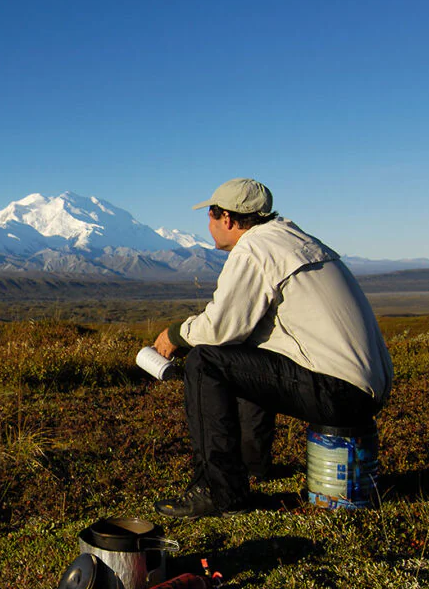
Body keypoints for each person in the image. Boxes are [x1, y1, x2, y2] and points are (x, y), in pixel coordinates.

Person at [152, 178, 393, 518]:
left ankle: (218, 490)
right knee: (241, 354)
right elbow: (241, 337)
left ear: (228, 219)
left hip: (339, 391)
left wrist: (175, 335)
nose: (208, 224)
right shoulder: (297, 241)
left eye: (209, 214)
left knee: (206, 360)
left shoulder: (255, 249)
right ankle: (252, 466)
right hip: (365, 390)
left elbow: (219, 328)